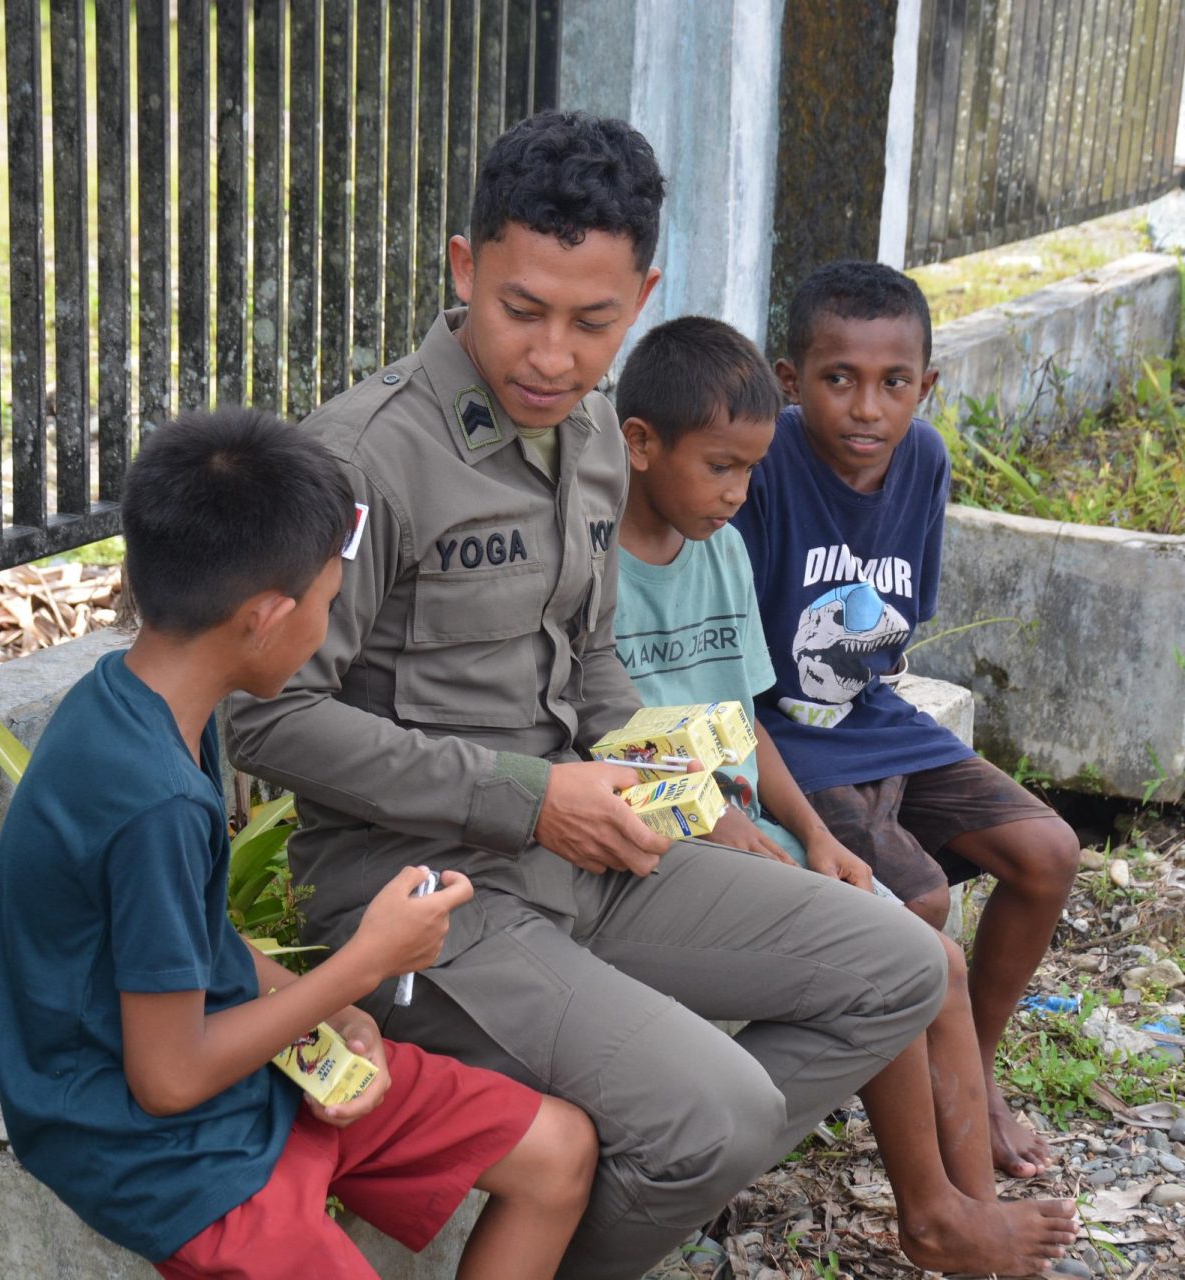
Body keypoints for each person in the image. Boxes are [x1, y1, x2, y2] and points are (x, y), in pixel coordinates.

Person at [227, 111, 951, 1280]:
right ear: (464, 268)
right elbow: (264, 717)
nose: (553, 356)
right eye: (522, 309)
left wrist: (697, 789)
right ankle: (646, 1155)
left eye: (593, 321)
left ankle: (624, 1176)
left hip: (597, 855)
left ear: (643, 294)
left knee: (897, 966)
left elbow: (593, 662)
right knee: (712, 1112)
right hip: (425, 901)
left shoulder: (596, 444)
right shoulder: (365, 458)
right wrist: (528, 795)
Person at [0, 409, 598, 1280]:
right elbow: (167, 1078)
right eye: (328, 602)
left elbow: (182, 943)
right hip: (153, 1149)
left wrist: (327, 1009)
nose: (329, 623)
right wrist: (363, 967)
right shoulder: (147, 795)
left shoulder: (143, 702)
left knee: (556, 1151)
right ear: (266, 619)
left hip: (238, 1061)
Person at [613, 314, 1079, 1274]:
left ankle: (964, 1209)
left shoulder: (719, 552)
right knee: (916, 945)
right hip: (670, 836)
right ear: (638, 443)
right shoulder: (593, 574)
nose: (738, 495)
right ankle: (938, 1216)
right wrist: (734, 820)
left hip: (748, 813)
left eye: (748, 473)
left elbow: (740, 721)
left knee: (925, 943)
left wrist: (807, 835)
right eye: (723, 472)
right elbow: (609, 739)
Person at [732, 260, 1082, 1181]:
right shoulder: (764, 467)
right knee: (917, 901)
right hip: (778, 732)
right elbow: (737, 663)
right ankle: (937, 1139)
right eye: (837, 379)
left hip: (868, 713)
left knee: (1048, 854)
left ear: (927, 387)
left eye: (894, 384)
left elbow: (894, 627)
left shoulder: (924, 459)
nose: (866, 408)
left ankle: (979, 1072)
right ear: (789, 382)